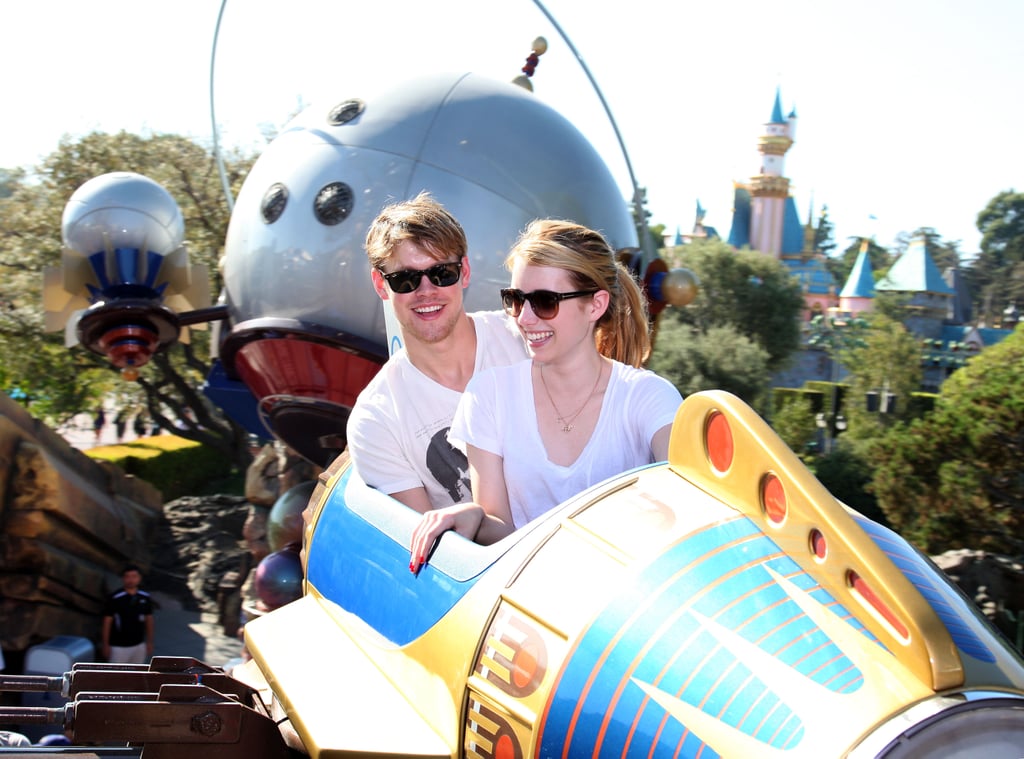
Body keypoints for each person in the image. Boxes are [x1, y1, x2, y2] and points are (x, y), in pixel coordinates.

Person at [410, 219, 682, 571]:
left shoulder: (648, 398)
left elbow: (687, 503)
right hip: (526, 605)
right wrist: (474, 518)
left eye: (544, 302)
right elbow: (502, 530)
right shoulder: (488, 396)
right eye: (515, 299)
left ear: (596, 305)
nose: (524, 318)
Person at [346, 193, 528, 513]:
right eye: (405, 279)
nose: (426, 291)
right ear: (380, 284)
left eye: (442, 272)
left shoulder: (525, 340)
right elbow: (438, 552)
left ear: (465, 271)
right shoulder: (377, 419)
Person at [101, 565, 155, 664]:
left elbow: (149, 619)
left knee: (137, 675)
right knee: (117, 676)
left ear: (139, 578)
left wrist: (150, 641)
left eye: (134, 576)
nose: (131, 580)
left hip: (139, 645)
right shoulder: (115, 598)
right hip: (118, 646)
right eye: (127, 577)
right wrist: (105, 644)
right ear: (123, 579)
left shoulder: (145, 597)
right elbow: (107, 622)